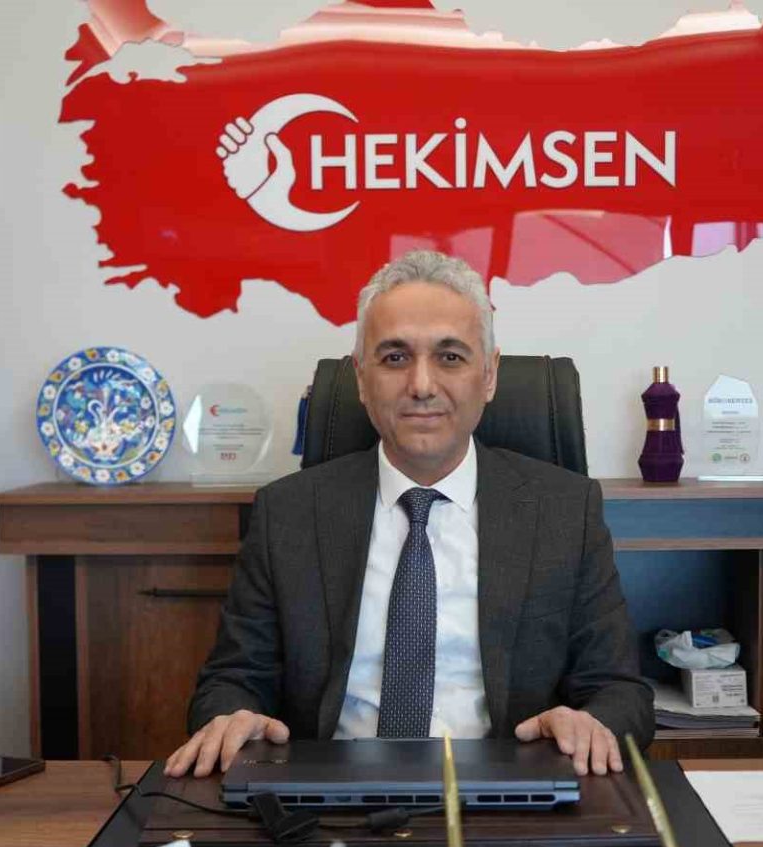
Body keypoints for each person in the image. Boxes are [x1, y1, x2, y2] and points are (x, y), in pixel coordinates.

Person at [165, 250, 654, 779]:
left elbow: (620, 692)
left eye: (451, 357)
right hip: (329, 795)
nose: (421, 385)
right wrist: (233, 717)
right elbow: (232, 680)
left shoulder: (564, 511)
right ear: (361, 378)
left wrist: (590, 723)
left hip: (508, 792)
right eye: (395, 357)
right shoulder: (288, 513)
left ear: (489, 375)